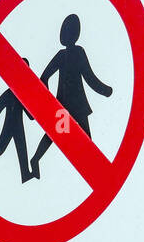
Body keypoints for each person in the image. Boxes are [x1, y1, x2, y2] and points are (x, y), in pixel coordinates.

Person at [29, 14, 112, 179]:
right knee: (81, 139)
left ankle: (36, 159)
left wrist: (50, 101)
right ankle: (95, 174)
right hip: (74, 105)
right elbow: (89, 77)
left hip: (64, 104)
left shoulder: (63, 55)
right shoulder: (75, 53)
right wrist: (105, 90)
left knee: (56, 135)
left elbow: (44, 77)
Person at [0, 57, 36, 183]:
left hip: (18, 125)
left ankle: (25, 174)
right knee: (0, 149)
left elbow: (30, 115)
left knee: (22, 148)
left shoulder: (22, 93)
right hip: (9, 126)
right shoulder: (9, 93)